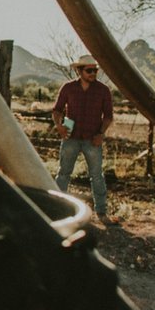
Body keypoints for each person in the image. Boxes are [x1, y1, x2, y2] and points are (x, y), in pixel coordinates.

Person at [52, 55, 115, 223]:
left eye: (95, 70)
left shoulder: (103, 90)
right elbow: (57, 110)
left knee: (96, 175)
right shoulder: (68, 88)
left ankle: (101, 212)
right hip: (70, 137)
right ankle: (56, 209)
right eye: (89, 70)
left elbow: (108, 116)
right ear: (79, 71)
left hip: (92, 138)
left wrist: (101, 134)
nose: (93, 73)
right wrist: (59, 125)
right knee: (64, 173)